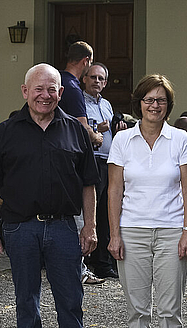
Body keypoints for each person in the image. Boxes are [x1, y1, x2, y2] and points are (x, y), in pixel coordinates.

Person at [0, 63, 100, 328]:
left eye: (52, 89)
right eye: (39, 89)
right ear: (25, 91)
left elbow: (89, 184)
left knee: (70, 301)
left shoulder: (75, 130)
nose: (46, 95)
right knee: (26, 300)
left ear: (61, 92)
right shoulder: (5, 132)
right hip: (20, 229)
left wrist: (90, 226)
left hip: (62, 229)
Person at [107, 74, 187, 328]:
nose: (154, 105)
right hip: (132, 231)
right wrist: (114, 234)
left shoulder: (181, 140)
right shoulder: (122, 141)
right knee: (137, 310)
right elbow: (114, 190)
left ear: (168, 105)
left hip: (172, 231)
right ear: (139, 103)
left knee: (170, 311)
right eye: (148, 99)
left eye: (160, 100)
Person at [59, 41, 104, 284]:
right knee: (79, 215)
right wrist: (97, 136)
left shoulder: (59, 82)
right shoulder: (73, 87)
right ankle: (79, 269)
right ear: (86, 61)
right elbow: (81, 126)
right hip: (75, 160)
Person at [83, 62, 127, 279]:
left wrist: (118, 130)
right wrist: (94, 128)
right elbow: (78, 127)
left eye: (101, 79)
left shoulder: (107, 105)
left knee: (107, 213)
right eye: (93, 77)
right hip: (90, 161)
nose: (97, 82)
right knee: (90, 213)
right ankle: (85, 261)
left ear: (106, 83)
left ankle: (103, 263)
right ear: (85, 79)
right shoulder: (79, 102)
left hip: (109, 163)